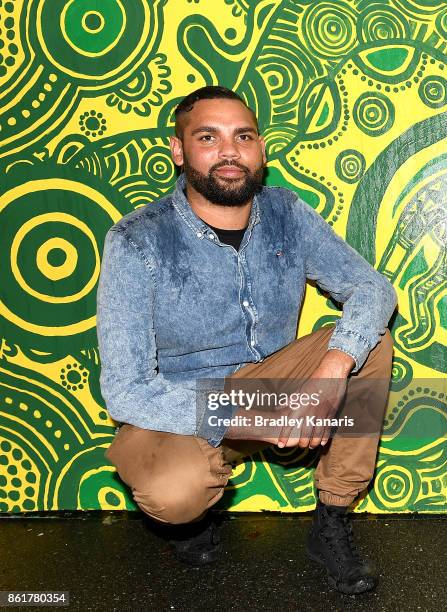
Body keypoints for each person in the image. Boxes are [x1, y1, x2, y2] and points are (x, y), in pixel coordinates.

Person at [96, 86, 397, 595]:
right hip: (183, 408)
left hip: (271, 383)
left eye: (244, 136)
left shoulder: (287, 212)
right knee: (173, 493)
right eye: (208, 137)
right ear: (179, 150)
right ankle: (193, 522)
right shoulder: (136, 239)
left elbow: (371, 288)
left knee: (369, 338)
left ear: (260, 150)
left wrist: (331, 370)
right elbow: (125, 389)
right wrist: (252, 417)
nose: (229, 151)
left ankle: (332, 519)